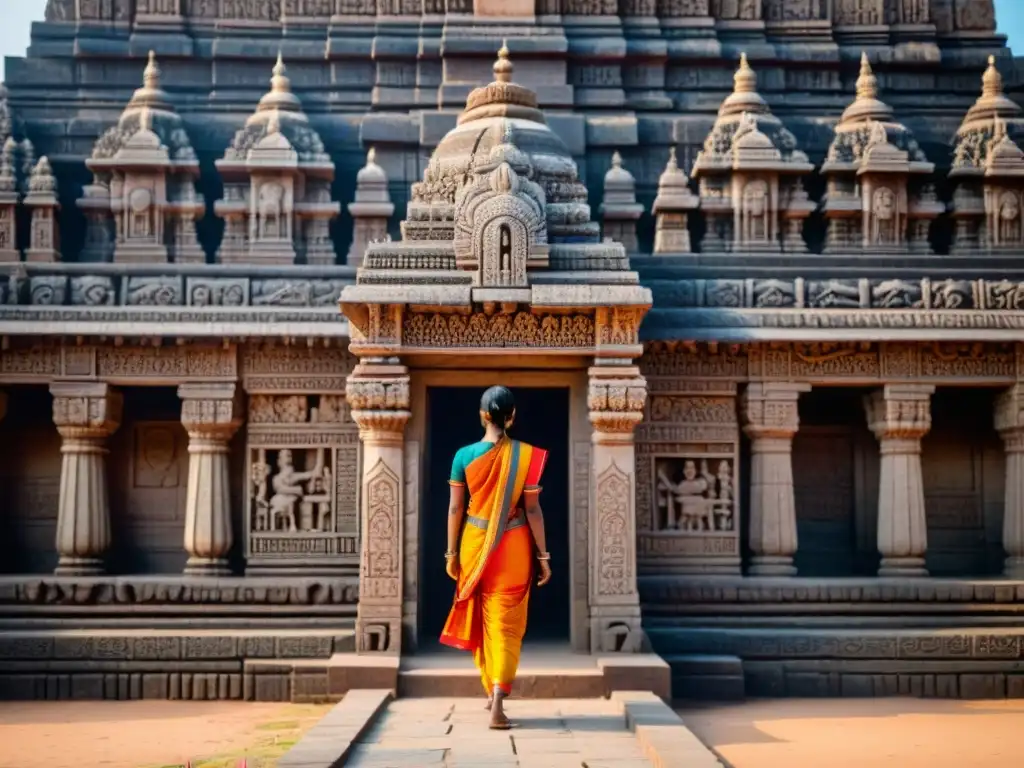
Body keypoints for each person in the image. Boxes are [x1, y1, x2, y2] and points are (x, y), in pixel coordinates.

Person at [440, 385, 552, 730]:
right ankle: (499, 700)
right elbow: (532, 510)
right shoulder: (526, 456)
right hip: (515, 545)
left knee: (481, 616)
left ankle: (492, 691)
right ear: (512, 416)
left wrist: (451, 552)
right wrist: (544, 556)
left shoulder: (463, 455)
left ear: (483, 415)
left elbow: (456, 507)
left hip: (474, 542)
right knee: (505, 622)